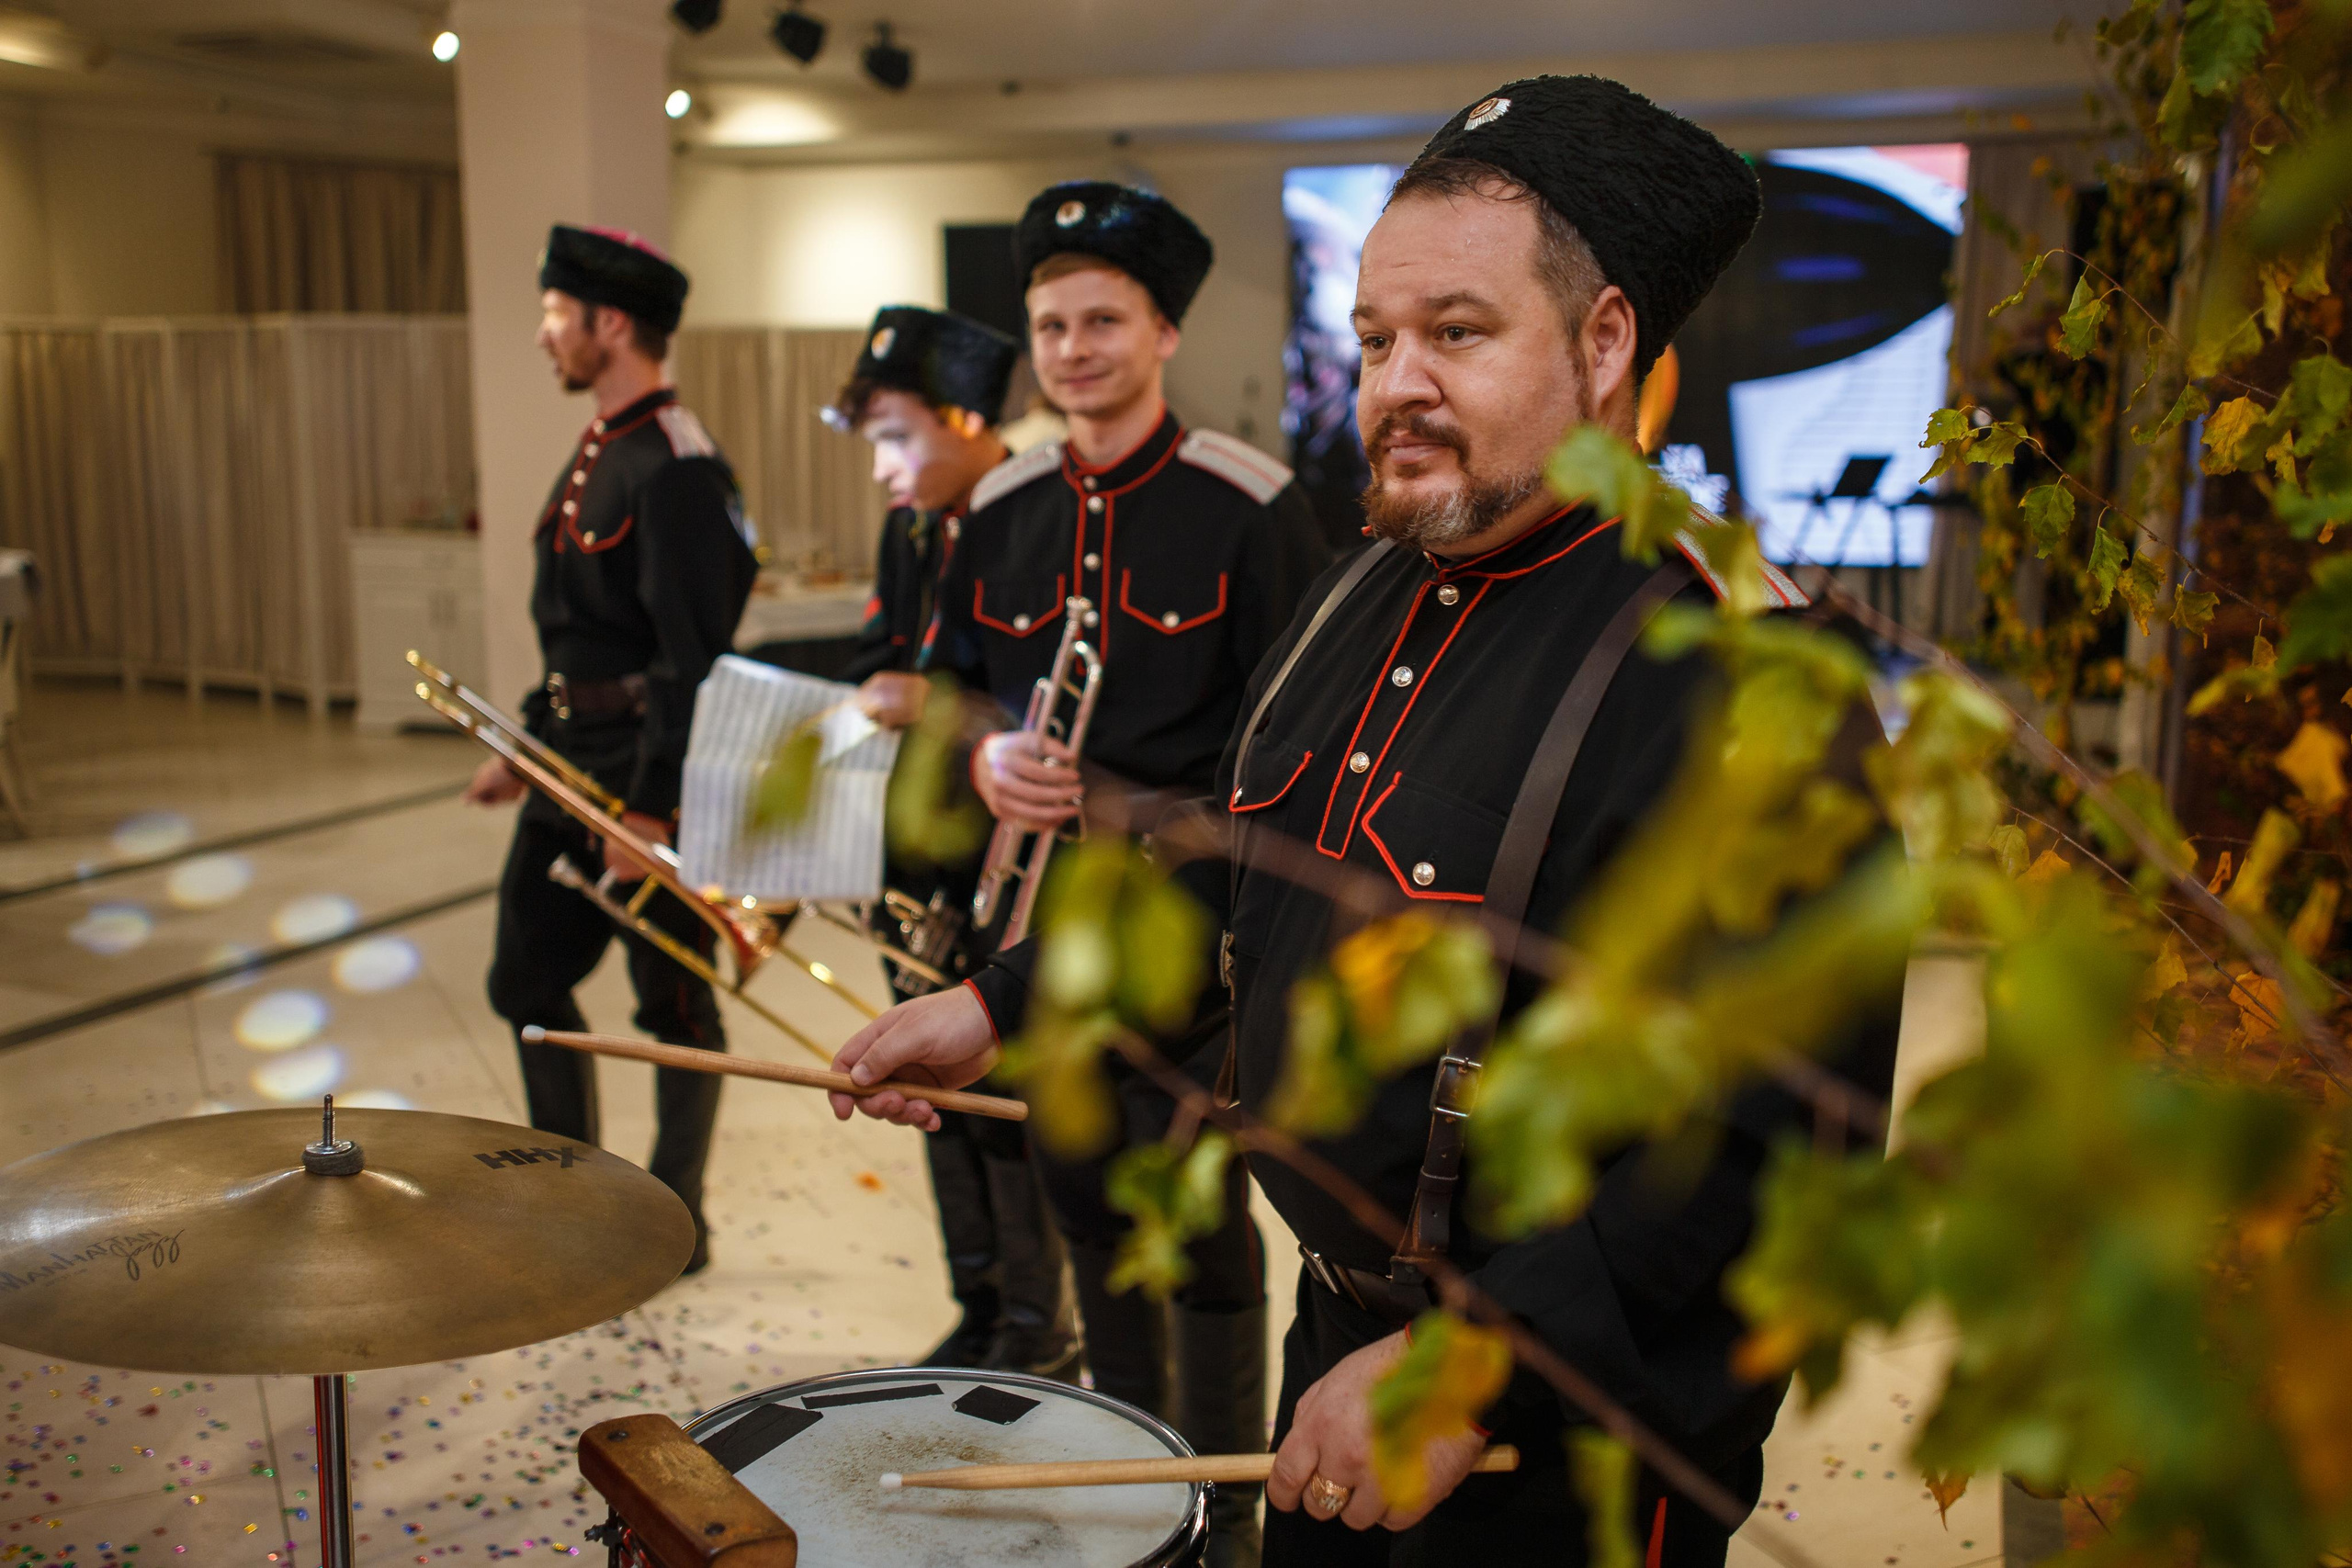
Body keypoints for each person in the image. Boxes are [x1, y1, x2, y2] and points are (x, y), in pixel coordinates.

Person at [818, 78, 1904, 1567]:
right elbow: (1234, 858)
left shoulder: (1744, 675)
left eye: (1457, 333)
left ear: (1604, 346)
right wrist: (1005, 1005)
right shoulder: (1366, 580)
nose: (1395, 383)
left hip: (1556, 1425)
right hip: (1340, 1338)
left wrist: (1475, 1359)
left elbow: (1771, 1157)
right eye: (1377, 338)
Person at [928, 180, 1331, 1567]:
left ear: (1163, 332)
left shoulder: (1250, 506)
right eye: (1050, 322)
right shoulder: (1002, 501)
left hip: (1195, 940)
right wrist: (989, 760)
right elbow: (950, 686)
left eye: (1104, 318)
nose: (1073, 345)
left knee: (1200, 1224)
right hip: (1040, 918)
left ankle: (1223, 1518)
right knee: (1084, 1197)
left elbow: (1294, 749)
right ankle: (1135, 1493)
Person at [465, 224, 759, 1277]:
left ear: (610, 323)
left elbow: (692, 658)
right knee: (521, 983)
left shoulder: (675, 464)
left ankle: (677, 1217)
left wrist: (652, 812)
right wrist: (524, 743)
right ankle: (572, 1191)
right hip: (569, 766)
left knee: (672, 1003)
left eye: (555, 317)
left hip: (646, 778)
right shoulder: (604, 443)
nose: (544, 337)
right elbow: (581, 638)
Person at [823, 304, 1079, 1379]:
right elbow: (890, 644)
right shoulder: (913, 525)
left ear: (971, 419)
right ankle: (975, 1298)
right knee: (927, 1088)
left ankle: (1034, 1321)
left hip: (1005, 864)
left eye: (899, 437)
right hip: (916, 855)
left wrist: (926, 698)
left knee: (999, 1100)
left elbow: (1027, 699)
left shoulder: (1040, 520)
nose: (884, 467)